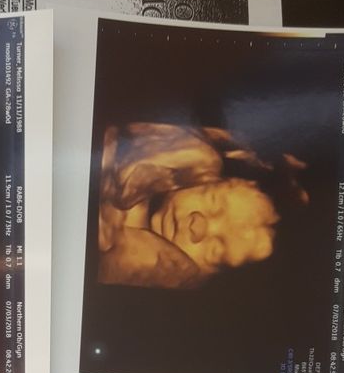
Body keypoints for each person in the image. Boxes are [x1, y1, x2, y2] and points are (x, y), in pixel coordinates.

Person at [97, 123, 308, 288]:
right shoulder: (186, 157)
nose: (197, 226)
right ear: (205, 178)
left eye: (214, 251)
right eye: (213, 201)